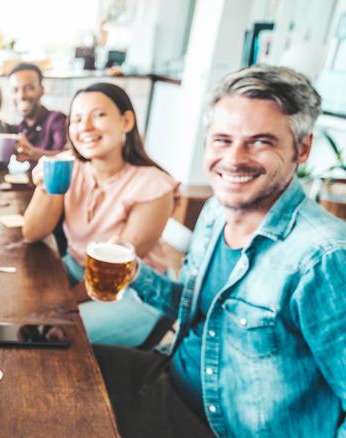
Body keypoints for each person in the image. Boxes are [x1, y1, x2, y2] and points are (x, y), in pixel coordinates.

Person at [93, 65, 346, 437]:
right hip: (172, 379)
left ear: (302, 148)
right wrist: (137, 274)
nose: (234, 158)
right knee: (54, 364)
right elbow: (201, 309)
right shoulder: (216, 211)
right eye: (222, 140)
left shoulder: (323, 258)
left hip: (222, 427)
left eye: (261, 141)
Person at [22, 83, 177, 347]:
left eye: (99, 115)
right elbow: (33, 232)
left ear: (126, 121)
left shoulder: (153, 186)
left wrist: (60, 307)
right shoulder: (70, 167)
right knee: (23, 305)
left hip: (130, 290)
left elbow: (112, 272)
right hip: (77, 268)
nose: (85, 127)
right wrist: (44, 186)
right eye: (77, 119)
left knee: (60, 333)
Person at [7, 63, 68, 163]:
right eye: (15, 90)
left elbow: (68, 156)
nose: (21, 96)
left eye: (28, 88)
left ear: (41, 90)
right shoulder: (20, 128)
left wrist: (33, 153)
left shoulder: (57, 120)